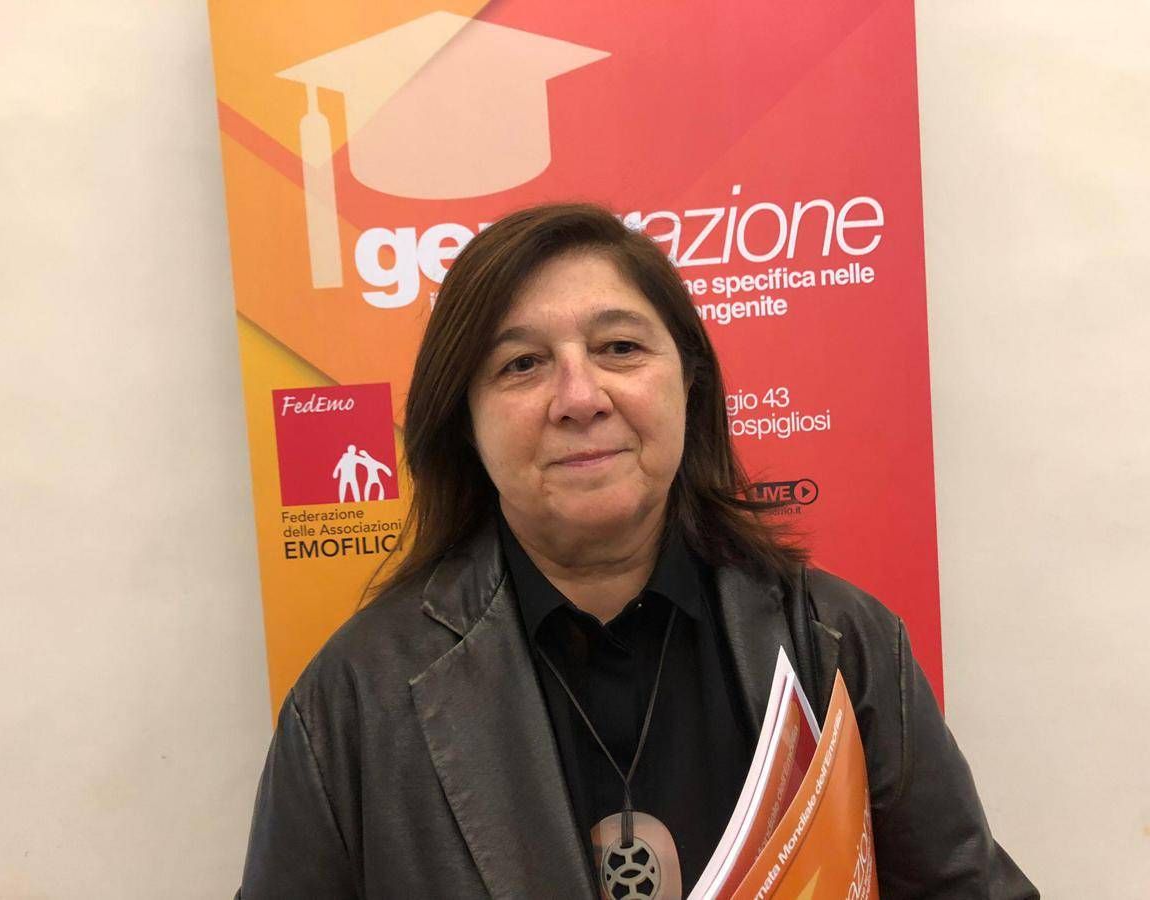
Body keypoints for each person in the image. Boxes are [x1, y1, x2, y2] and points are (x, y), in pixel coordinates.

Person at [238, 203, 1038, 898]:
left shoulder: (840, 645)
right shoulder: (353, 703)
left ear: (689, 382)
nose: (580, 398)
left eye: (619, 348)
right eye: (522, 364)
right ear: (464, 425)